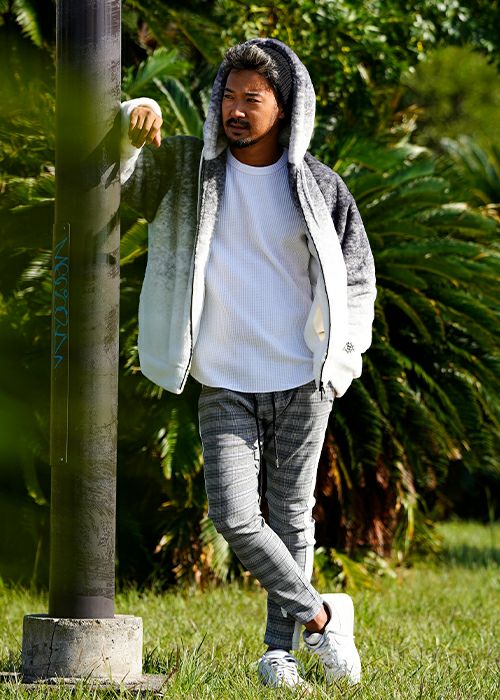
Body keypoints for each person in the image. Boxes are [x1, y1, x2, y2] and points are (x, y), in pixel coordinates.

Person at [120, 38, 376, 690]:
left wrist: (342, 360)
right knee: (234, 516)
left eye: (251, 100)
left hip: (303, 376)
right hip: (224, 376)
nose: (235, 110)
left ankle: (278, 653)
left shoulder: (320, 186)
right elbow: (118, 182)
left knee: (290, 518)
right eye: (228, 97)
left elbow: (356, 278)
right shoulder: (188, 171)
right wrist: (133, 117)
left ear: (284, 108)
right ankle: (322, 617)